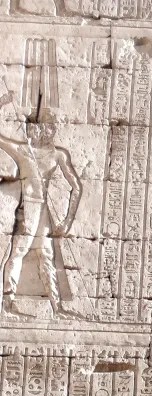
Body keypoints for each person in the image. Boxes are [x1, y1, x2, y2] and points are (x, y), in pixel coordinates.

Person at [0, 92, 82, 318]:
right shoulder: (23, 151)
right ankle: (6, 305)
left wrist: (67, 220)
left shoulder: (57, 154)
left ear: (49, 130)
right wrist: (3, 103)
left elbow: (76, 187)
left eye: (40, 127)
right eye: (31, 128)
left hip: (42, 210)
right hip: (29, 209)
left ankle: (57, 308)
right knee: (18, 253)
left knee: (46, 256)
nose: (34, 132)